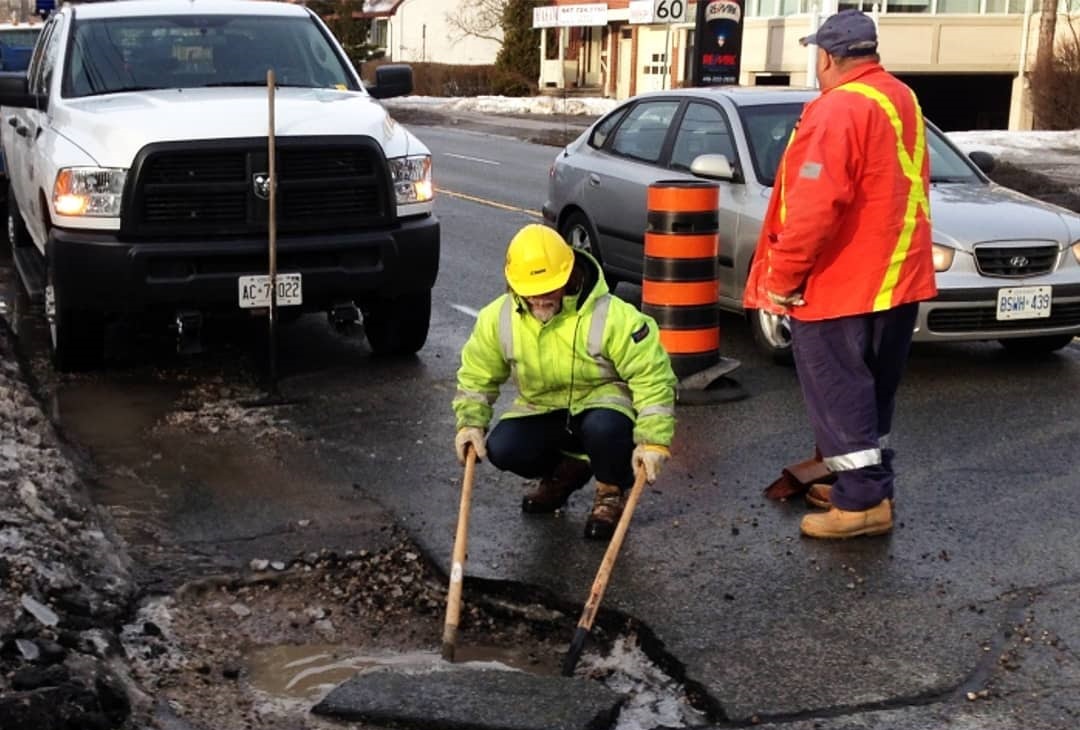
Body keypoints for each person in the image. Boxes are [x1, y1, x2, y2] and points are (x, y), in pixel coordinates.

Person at [744, 9, 937, 539]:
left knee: (839, 390)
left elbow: (811, 208)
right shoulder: (899, 97)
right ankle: (867, 485)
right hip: (896, 277)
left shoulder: (837, 110)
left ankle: (861, 504)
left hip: (843, 283)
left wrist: (782, 279)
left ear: (827, 56)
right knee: (873, 390)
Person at [452, 224, 677, 541]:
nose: (541, 298)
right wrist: (470, 422)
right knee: (503, 448)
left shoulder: (612, 315)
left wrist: (654, 441)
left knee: (605, 429)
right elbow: (477, 374)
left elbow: (652, 376)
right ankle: (567, 470)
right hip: (542, 407)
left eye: (550, 287)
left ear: (569, 274)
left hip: (603, 404)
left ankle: (610, 490)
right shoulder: (498, 318)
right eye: (532, 292)